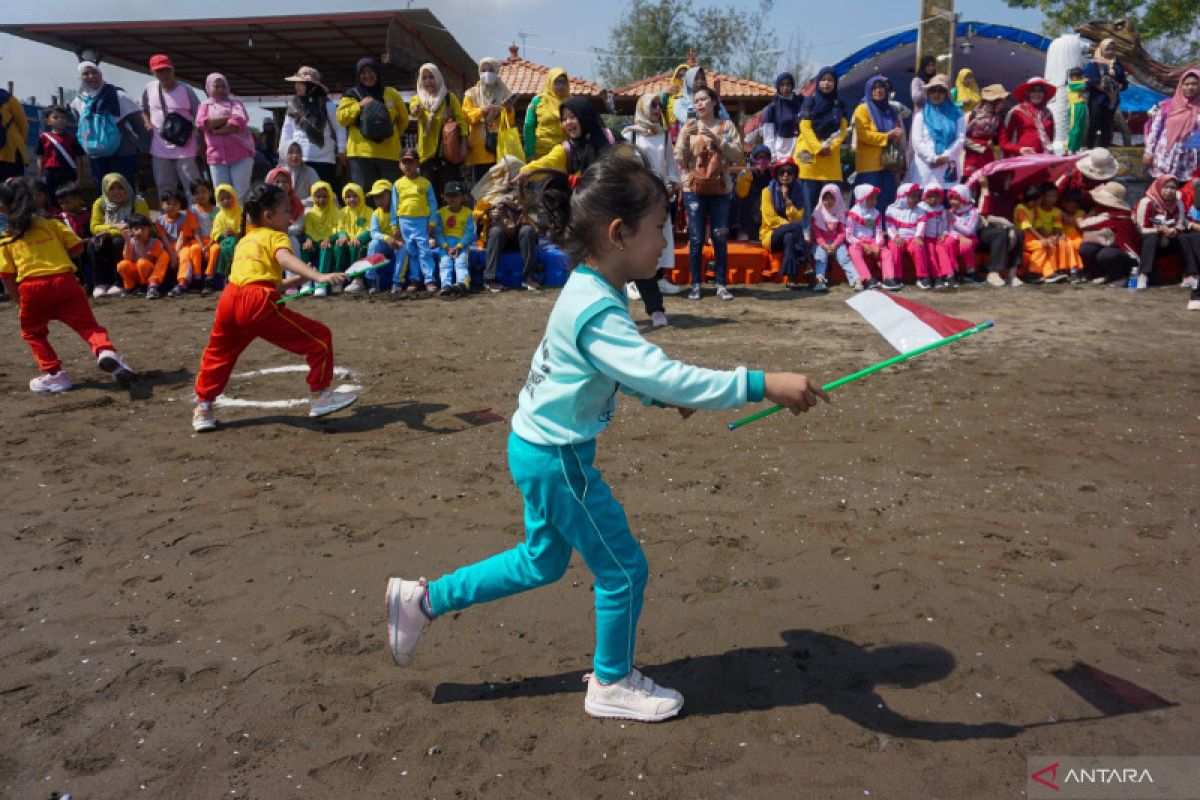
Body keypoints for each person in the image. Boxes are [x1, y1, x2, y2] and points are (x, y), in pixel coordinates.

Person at [383, 149, 830, 722]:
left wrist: (655, 396)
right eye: (660, 231)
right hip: (557, 458)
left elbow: (617, 372)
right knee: (622, 570)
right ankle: (612, 682)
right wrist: (761, 383)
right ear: (619, 233)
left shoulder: (592, 288)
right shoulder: (597, 306)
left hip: (537, 447)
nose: (666, 245)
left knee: (541, 562)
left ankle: (422, 601)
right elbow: (657, 370)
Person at [191, 184, 357, 432]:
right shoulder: (277, 236)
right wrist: (318, 275)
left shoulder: (246, 239)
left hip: (229, 300)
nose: (291, 216)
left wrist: (301, 279)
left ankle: (203, 407)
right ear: (268, 215)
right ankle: (320, 394)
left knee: (218, 355)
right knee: (320, 338)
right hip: (256, 303)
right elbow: (284, 260)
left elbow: (261, 281)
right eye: (286, 211)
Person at [0, 177, 137, 393]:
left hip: (32, 288)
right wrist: (55, 255)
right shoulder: (52, 224)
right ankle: (105, 352)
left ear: (4, 208)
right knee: (88, 326)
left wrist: (19, 302)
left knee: (33, 333)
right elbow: (77, 248)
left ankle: (54, 373)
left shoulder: (7, 237)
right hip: (65, 281)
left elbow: (6, 275)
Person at [675, 86, 742, 301]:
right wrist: (685, 137)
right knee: (695, 238)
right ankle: (696, 284)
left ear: (714, 102)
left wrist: (717, 139)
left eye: (704, 99)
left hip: (721, 189)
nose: (700, 104)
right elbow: (680, 160)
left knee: (720, 237)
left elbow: (738, 155)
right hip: (694, 189)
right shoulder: (689, 126)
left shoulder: (726, 125)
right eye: (696, 101)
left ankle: (721, 284)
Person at [623, 92, 681, 321]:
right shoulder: (630, 136)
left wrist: (671, 184)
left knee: (659, 240)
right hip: (638, 198)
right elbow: (625, 166)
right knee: (637, 242)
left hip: (659, 198)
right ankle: (633, 286)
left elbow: (671, 166)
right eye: (653, 105)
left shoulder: (664, 136)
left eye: (660, 105)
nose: (658, 109)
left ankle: (657, 280)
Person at [336, 57, 408, 190]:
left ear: (377, 73)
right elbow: (341, 118)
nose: (367, 76)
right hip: (360, 156)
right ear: (358, 75)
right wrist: (359, 106)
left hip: (389, 155)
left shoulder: (391, 93)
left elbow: (404, 120)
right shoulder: (350, 95)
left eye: (371, 72)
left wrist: (392, 135)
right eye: (363, 73)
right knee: (364, 197)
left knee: (391, 197)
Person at [71, 62, 145, 188]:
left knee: (124, 188)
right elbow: (81, 126)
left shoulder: (119, 96)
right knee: (103, 189)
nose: (91, 76)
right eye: (86, 74)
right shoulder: (78, 102)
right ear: (80, 77)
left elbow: (138, 123)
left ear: (101, 74)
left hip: (123, 152)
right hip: (96, 154)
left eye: (94, 72)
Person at [141, 54, 203, 203]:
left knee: (193, 187)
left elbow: (200, 116)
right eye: (159, 71)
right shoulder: (149, 88)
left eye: (167, 70)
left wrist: (201, 142)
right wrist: (147, 123)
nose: (164, 74)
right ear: (152, 72)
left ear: (173, 70)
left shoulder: (185, 89)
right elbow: (142, 109)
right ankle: (167, 223)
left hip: (185, 147)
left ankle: (200, 221)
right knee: (165, 188)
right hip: (160, 149)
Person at [475, 155, 539, 293]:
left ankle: (528, 277)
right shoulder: (491, 192)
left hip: (519, 237)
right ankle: (490, 279)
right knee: (495, 232)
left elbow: (536, 218)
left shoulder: (527, 192)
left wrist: (524, 210)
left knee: (527, 230)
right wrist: (488, 215)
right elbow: (476, 216)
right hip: (500, 238)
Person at [795, 68, 847, 223]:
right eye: (823, 79)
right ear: (818, 82)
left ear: (835, 83)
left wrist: (830, 147)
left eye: (830, 80)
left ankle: (828, 240)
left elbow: (843, 130)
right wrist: (818, 148)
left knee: (830, 205)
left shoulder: (839, 104)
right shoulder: (809, 101)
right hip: (810, 160)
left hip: (830, 160)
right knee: (808, 206)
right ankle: (806, 240)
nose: (827, 83)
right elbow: (804, 127)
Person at [279, 66, 346, 185]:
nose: (296, 86)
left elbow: (340, 127)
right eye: (296, 83)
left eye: (301, 83)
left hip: (324, 160)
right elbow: (287, 131)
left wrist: (341, 149)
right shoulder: (294, 106)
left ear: (311, 85)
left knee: (323, 195)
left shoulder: (327, 105)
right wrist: (283, 153)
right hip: (299, 159)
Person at [88, 173, 151, 298]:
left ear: (125, 187)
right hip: (110, 234)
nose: (117, 192)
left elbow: (140, 225)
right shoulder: (100, 203)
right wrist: (114, 227)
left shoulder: (137, 202)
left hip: (133, 239)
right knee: (93, 243)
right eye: (111, 188)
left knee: (118, 242)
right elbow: (94, 227)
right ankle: (100, 283)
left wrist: (114, 231)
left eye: (120, 187)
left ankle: (119, 282)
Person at [196, 73, 256, 202]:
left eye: (224, 86)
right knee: (221, 194)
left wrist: (217, 131)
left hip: (241, 155)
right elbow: (202, 123)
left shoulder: (236, 103)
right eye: (216, 86)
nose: (220, 90)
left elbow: (238, 122)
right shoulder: (204, 106)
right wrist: (228, 117)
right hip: (216, 157)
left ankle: (241, 221)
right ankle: (223, 222)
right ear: (209, 88)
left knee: (240, 194)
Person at [409, 63, 468, 195]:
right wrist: (416, 110)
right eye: (424, 78)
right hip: (426, 156)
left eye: (431, 77)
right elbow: (414, 110)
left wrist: (463, 143)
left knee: (449, 195)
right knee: (430, 196)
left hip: (447, 154)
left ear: (438, 78)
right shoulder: (417, 99)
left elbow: (462, 121)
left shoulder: (448, 98)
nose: (428, 81)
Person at [1134, 174, 1200, 288]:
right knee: (1152, 237)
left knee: (1183, 237)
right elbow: (1141, 228)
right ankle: (1143, 275)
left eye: (1173, 188)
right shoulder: (1147, 202)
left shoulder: (1178, 203)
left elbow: (1180, 222)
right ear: (1159, 187)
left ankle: (1190, 275)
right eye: (1166, 187)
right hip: (1148, 242)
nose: (1169, 191)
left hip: (1168, 239)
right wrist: (1159, 230)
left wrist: (1175, 230)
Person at [390, 147, 440, 293]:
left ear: (417, 163)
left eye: (411, 162)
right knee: (411, 251)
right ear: (399, 164)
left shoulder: (425, 183)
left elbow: (432, 203)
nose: (407, 165)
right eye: (404, 162)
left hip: (421, 222)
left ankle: (429, 280)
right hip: (404, 222)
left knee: (424, 251)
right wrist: (394, 225)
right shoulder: (397, 184)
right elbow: (394, 206)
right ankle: (414, 279)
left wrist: (432, 223)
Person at [462, 57, 516, 188]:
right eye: (483, 70)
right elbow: (466, 117)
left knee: (499, 190)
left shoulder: (505, 93)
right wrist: (481, 110)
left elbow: (510, 122)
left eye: (491, 70)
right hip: (479, 151)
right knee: (481, 191)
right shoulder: (471, 94)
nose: (487, 73)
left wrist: (507, 110)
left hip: (500, 150)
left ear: (497, 72)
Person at [854, 76, 904, 212]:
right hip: (869, 166)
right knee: (867, 203)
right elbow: (863, 135)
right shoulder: (863, 109)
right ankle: (864, 230)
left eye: (881, 87)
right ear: (868, 90)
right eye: (874, 88)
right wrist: (886, 136)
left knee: (887, 200)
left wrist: (898, 134)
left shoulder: (890, 110)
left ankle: (884, 230)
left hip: (889, 163)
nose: (878, 90)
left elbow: (897, 132)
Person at [1077, 181, 1140, 285]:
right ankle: (1102, 274)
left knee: (1105, 255)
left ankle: (1120, 276)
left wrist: (1079, 218)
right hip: (1111, 245)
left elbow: (1082, 224)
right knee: (1086, 248)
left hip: (1128, 254)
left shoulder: (1115, 215)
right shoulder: (1103, 211)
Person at [759, 157, 807, 289]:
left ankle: (790, 278)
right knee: (795, 228)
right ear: (776, 174)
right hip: (770, 234)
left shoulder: (798, 192)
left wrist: (787, 199)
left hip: (789, 235)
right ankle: (805, 261)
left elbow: (797, 217)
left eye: (789, 172)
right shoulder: (767, 192)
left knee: (790, 237)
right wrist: (789, 224)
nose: (785, 175)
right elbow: (770, 219)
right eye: (782, 172)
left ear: (794, 175)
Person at [1143, 70, 1200, 181]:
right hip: (1164, 158)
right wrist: (1148, 152)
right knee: (1160, 191)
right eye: (1187, 84)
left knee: (1184, 194)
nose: (1190, 87)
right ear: (1181, 85)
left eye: (1194, 84)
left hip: (1189, 161)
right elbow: (1154, 130)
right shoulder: (1168, 105)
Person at [909, 75, 964, 185]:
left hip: (948, 166)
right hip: (926, 167)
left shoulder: (957, 113)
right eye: (933, 91)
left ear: (946, 93)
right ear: (928, 93)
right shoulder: (921, 114)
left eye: (940, 91)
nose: (936, 94)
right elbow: (917, 141)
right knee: (925, 200)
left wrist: (945, 156)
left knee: (948, 199)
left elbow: (960, 138)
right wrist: (933, 158)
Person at [1019, 182, 1075, 284]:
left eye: (1055, 196)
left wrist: (1056, 236)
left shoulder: (1057, 211)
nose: (1052, 199)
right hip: (1037, 236)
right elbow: (1038, 227)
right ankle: (1046, 272)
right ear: (1041, 197)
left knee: (1064, 241)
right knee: (1048, 245)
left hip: (1045, 236)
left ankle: (1065, 270)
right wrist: (1047, 238)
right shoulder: (1035, 210)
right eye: (1049, 196)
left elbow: (1057, 227)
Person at [811, 184, 864, 290]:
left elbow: (842, 232)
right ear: (821, 199)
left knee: (844, 258)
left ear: (838, 198)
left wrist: (835, 244)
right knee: (820, 257)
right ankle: (820, 280)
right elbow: (817, 233)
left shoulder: (841, 213)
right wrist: (824, 245)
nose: (829, 201)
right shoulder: (817, 213)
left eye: (832, 198)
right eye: (825, 198)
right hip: (822, 243)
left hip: (837, 243)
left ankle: (856, 279)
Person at [1083, 38, 1128, 149]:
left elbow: (1124, 82)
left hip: (1112, 101)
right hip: (1097, 100)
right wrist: (1104, 89)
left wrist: (1118, 88)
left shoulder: (1117, 64)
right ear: (1101, 49)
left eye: (1113, 49)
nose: (1110, 52)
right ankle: (1089, 150)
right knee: (1093, 125)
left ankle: (1104, 151)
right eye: (1107, 49)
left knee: (1107, 126)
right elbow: (1090, 80)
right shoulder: (1094, 63)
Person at [157, 187, 202, 295]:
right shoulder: (159, 221)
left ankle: (182, 283)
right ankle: (154, 284)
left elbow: (182, 238)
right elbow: (164, 239)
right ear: (162, 205)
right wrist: (172, 255)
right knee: (162, 257)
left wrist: (175, 254)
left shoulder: (184, 218)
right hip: (168, 247)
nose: (171, 206)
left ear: (180, 205)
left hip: (182, 245)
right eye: (168, 203)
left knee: (185, 255)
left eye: (175, 204)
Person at [35, 106, 83, 209]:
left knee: (70, 197)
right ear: (47, 121)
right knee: (52, 198)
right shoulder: (44, 137)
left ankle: (70, 218)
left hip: (68, 173)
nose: (60, 120)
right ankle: (55, 218)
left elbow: (79, 158)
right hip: (50, 174)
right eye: (55, 117)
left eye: (63, 117)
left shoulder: (72, 138)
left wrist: (79, 178)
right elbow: (40, 158)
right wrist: (39, 176)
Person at [300, 181, 342, 294]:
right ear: (313, 197)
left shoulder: (336, 213)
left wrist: (329, 239)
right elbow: (308, 231)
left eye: (324, 196)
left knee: (326, 248)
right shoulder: (310, 214)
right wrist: (308, 240)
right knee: (304, 247)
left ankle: (321, 282)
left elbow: (339, 230)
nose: (321, 200)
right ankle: (305, 280)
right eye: (318, 196)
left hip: (329, 241)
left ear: (330, 197)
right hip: (314, 241)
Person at [115, 213, 171, 298]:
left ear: (149, 230)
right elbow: (127, 258)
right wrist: (126, 240)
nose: (140, 232)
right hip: (135, 273)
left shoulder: (155, 242)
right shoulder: (131, 241)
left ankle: (144, 286)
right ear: (131, 231)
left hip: (149, 273)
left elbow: (148, 259)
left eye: (143, 229)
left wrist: (140, 242)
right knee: (122, 264)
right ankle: (130, 287)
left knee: (142, 262)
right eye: (136, 229)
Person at [884, 182, 926, 290]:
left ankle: (922, 276)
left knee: (917, 247)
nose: (916, 199)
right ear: (903, 197)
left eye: (918, 196)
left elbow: (922, 224)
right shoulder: (891, 209)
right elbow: (889, 226)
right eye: (913, 197)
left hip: (913, 238)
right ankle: (897, 277)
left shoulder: (920, 210)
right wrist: (895, 237)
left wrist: (918, 237)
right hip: (898, 237)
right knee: (894, 247)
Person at [434, 180, 474, 296]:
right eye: (449, 196)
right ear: (444, 198)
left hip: (461, 244)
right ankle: (445, 285)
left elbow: (469, 233)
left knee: (461, 262)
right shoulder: (440, 213)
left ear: (462, 197)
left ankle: (462, 283)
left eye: (455, 195)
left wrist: (459, 246)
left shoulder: (468, 213)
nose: (452, 198)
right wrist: (446, 247)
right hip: (445, 244)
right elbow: (438, 233)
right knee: (445, 263)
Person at [846, 184, 889, 288]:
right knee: (853, 252)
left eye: (875, 198)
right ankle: (868, 278)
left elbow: (878, 231)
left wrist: (878, 245)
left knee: (887, 252)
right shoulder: (853, 213)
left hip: (871, 240)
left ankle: (889, 278)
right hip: (857, 242)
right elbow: (849, 234)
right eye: (871, 198)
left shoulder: (876, 213)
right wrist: (862, 245)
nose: (874, 201)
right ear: (862, 198)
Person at [914, 183, 956, 289]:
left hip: (937, 238)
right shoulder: (920, 208)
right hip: (926, 238)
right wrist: (919, 237)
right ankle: (936, 277)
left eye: (936, 196)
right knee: (931, 253)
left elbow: (945, 224)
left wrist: (944, 234)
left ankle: (948, 275)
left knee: (942, 251)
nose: (933, 199)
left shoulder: (941, 209)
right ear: (925, 196)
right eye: (930, 196)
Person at [962, 85, 1008, 180]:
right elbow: (961, 138)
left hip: (988, 160)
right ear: (991, 102)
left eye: (1003, 101)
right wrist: (984, 144)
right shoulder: (971, 116)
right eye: (1000, 101)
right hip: (970, 160)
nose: (1003, 104)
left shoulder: (997, 119)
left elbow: (1004, 142)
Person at [525, 68, 571, 161]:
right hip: (540, 153)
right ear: (550, 82)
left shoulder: (572, 102)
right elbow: (529, 126)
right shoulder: (538, 100)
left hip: (565, 153)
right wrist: (530, 153)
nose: (561, 86)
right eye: (557, 82)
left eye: (563, 82)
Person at [1001, 78, 1056, 157]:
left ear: (1045, 94)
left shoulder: (1048, 114)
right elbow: (1004, 142)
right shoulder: (1017, 111)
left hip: (1043, 160)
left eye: (1040, 90)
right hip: (1021, 160)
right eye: (1033, 90)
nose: (1036, 94)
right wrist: (1019, 150)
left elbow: (1050, 138)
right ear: (1027, 93)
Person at [204, 183, 242, 291]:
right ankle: (225, 275)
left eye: (229, 198)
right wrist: (223, 234)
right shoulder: (219, 215)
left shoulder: (240, 212)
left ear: (234, 197)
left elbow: (245, 227)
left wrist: (236, 233)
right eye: (222, 199)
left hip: (239, 239)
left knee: (234, 244)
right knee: (225, 247)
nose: (226, 201)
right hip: (224, 241)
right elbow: (215, 231)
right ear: (218, 201)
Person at [366, 179, 401, 293]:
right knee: (373, 244)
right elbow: (373, 232)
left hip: (400, 243)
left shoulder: (399, 211)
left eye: (382, 196)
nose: (378, 200)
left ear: (391, 195)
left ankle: (397, 282)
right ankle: (372, 280)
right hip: (385, 244)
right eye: (376, 198)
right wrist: (386, 238)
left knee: (403, 250)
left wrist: (400, 240)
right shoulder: (376, 213)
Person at [944, 184, 983, 283]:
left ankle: (970, 272)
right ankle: (954, 271)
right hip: (956, 238)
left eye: (956, 198)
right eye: (951, 198)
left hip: (970, 238)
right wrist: (959, 237)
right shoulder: (950, 212)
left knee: (965, 246)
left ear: (964, 198)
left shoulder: (973, 212)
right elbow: (949, 230)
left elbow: (969, 230)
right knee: (948, 242)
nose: (952, 201)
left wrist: (954, 221)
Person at [335, 182, 372, 286]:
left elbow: (369, 230)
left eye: (355, 196)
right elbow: (340, 227)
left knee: (354, 245)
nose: (351, 199)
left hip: (362, 241)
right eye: (348, 197)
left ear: (361, 196)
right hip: (348, 240)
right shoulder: (342, 212)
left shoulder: (368, 211)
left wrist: (358, 238)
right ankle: (339, 277)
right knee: (338, 246)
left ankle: (357, 278)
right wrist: (343, 237)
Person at [761, 72, 802, 161]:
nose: (785, 88)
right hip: (781, 153)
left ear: (792, 86)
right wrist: (772, 156)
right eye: (782, 85)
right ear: (778, 87)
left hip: (799, 150)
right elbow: (768, 135)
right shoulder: (772, 107)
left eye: (788, 84)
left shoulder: (801, 103)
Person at [0, 85, 30, 180]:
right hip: (10, 153)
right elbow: (24, 127)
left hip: (11, 155)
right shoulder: (8, 99)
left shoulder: (9, 99)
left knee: (13, 190)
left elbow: (23, 125)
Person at [1065, 68, 1089, 154]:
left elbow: (1084, 88)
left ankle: (1074, 148)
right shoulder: (1071, 85)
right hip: (1074, 106)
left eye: (1078, 76)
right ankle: (1067, 148)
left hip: (1081, 106)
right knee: (1074, 128)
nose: (1076, 78)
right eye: (1074, 76)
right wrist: (1085, 80)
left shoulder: (1077, 83)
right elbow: (1083, 85)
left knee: (1081, 129)